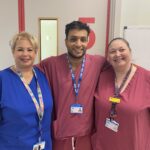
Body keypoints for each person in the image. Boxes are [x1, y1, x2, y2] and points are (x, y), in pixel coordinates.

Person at [38, 21, 106, 150]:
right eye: (73, 39)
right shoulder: (51, 64)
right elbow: (28, 72)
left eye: (83, 39)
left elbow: (119, 70)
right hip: (61, 135)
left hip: (86, 136)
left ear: (88, 41)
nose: (78, 44)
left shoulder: (99, 63)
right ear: (66, 41)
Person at [92, 37, 150, 150]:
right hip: (103, 144)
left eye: (122, 49)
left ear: (130, 52)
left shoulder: (147, 79)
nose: (117, 54)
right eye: (112, 51)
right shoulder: (102, 77)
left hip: (134, 144)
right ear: (108, 58)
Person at [0, 32, 53, 150]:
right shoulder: (2, 79)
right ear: (13, 51)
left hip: (44, 145)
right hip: (12, 146)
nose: (25, 54)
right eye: (20, 49)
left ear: (35, 52)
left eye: (30, 50)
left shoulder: (43, 77)